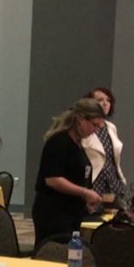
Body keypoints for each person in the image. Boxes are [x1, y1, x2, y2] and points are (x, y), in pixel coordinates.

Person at [31, 99, 105, 250]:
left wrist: (85, 200)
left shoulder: (78, 145)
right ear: (80, 120)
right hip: (53, 212)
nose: (96, 130)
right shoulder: (58, 142)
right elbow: (53, 179)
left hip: (71, 212)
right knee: (52, 254)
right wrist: (85, 192)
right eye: (94, 125)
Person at [81, 86, 127, 206]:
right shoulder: (85, 127)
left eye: (108, 100)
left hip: (113, 182)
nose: (105, 103)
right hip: (94, 182)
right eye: (100, 100)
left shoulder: (111, 127)